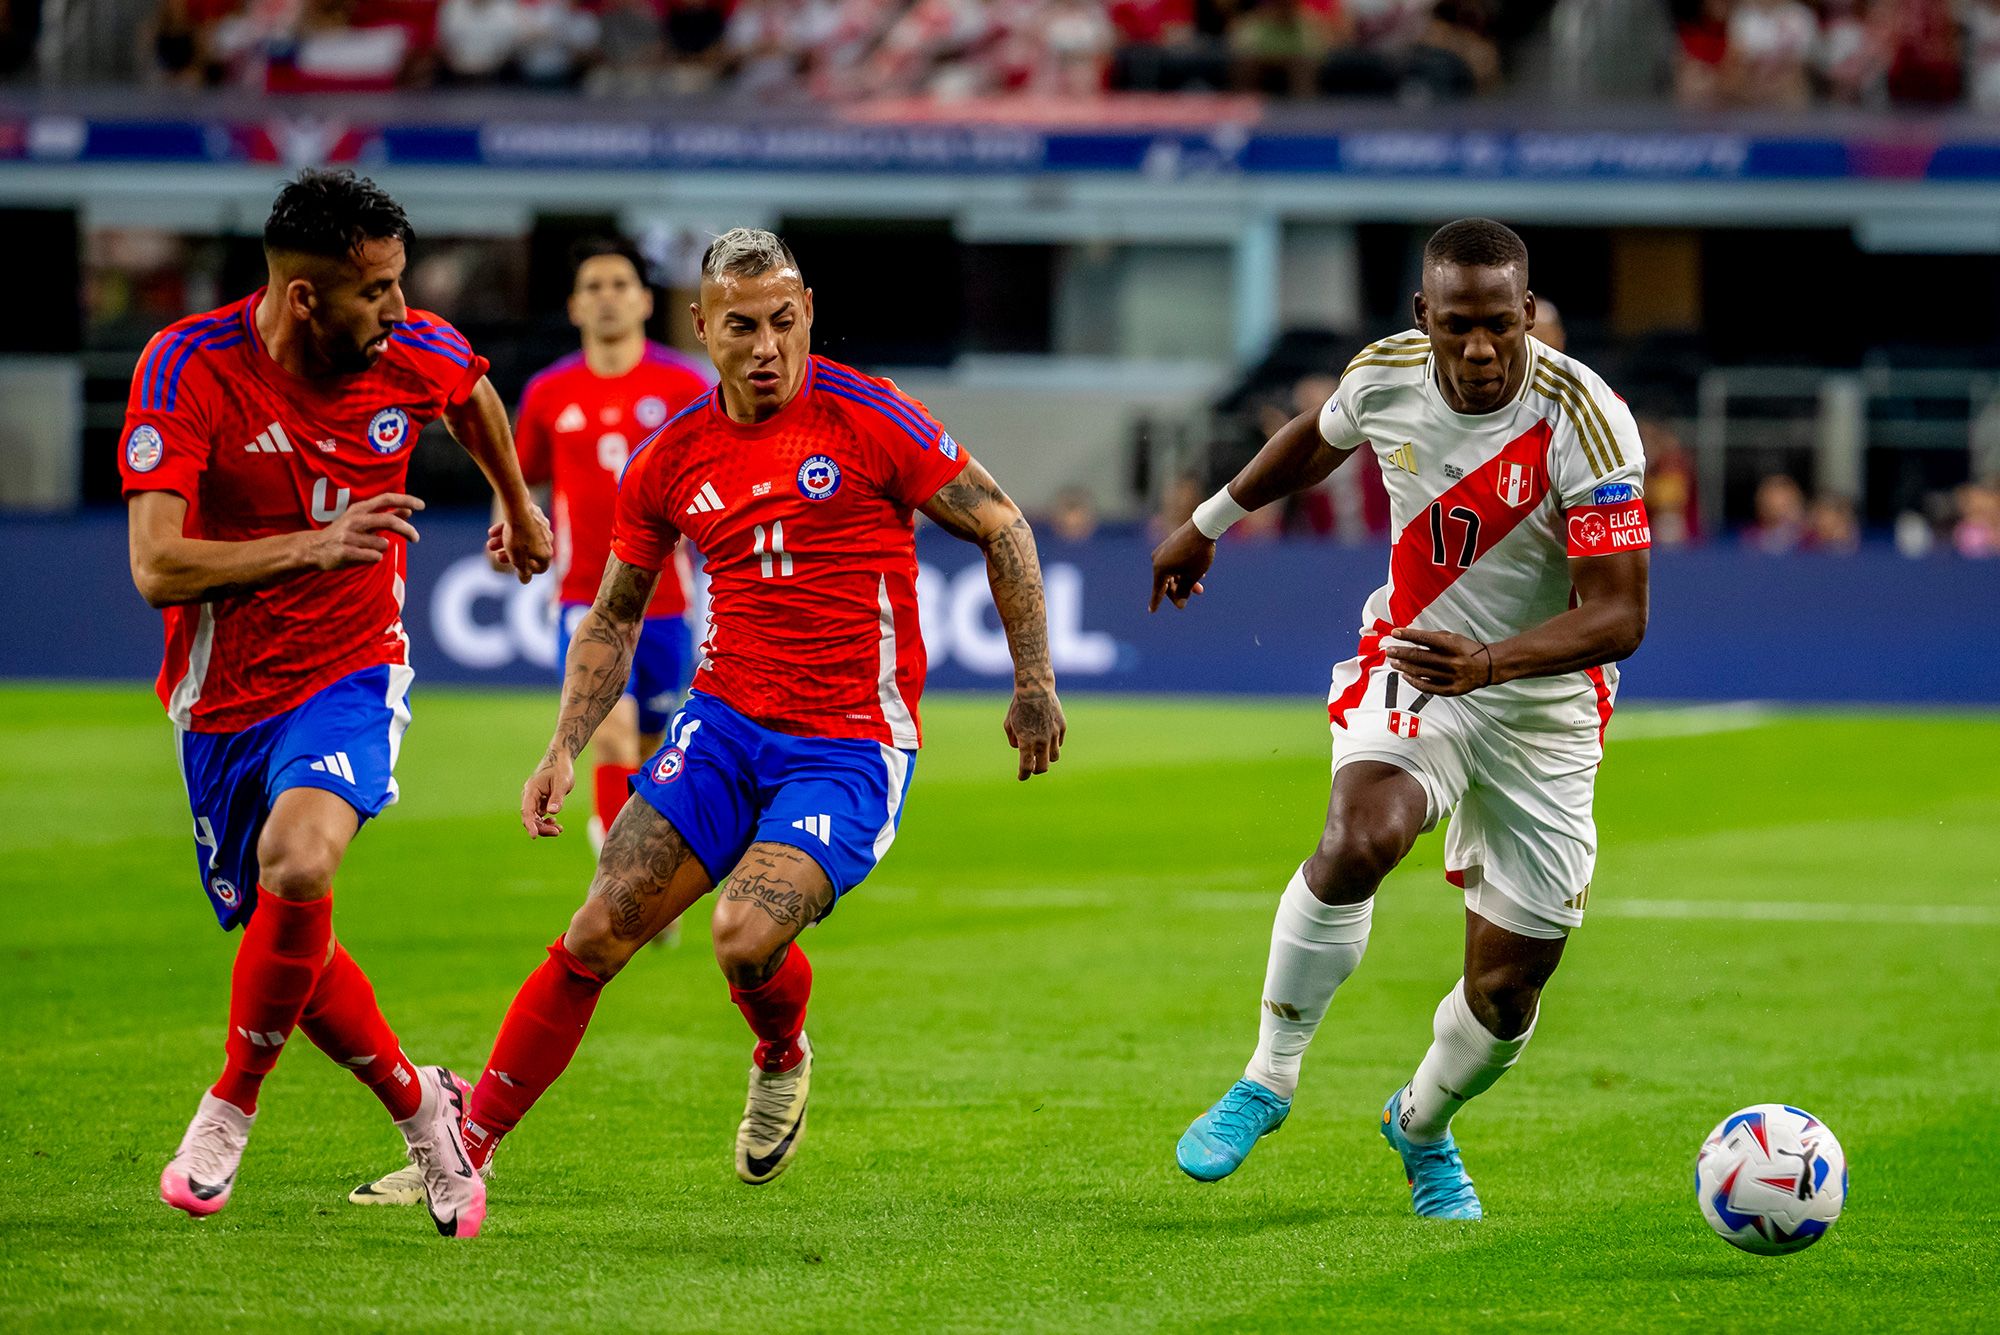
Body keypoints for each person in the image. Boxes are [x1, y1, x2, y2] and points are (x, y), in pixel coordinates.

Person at [350, 227, 1064, 1202]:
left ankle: (781, 1052)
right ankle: (465, 1148)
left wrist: (1034, 681)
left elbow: (1001, 523)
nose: (766, 346)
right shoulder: (671, 456)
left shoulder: (871, 416)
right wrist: (562, 746)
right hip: (723, 727)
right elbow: (614, 612)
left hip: (848, 744)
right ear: (702, 327)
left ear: (807, 312)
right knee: (597, 928)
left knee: (741, 935)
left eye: (782, 321)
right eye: (741, 327)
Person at [1152, 218, 1650, 1220]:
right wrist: (1207, 524)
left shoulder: (1587, 421)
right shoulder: (1385, 373)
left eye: (1500, 325)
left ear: (1528, 313)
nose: (1480, 349)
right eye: (1457, 325)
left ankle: (1420, 1124)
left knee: (1506, 990)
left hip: (1545, 708)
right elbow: (1315, 440)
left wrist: (1491, 663)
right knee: (1359, 837)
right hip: (1415, 660)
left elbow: (1619, 615)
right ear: (1424, 315)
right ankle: (1266, 1078)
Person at [121, 168, 553, 1239]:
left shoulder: (413, 348)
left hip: (354, 666)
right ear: (305, 296)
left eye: (402, 281)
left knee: (301, 861)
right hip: (222, 696)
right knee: (287, 932)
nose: (402, 308)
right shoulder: (187, 367)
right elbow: (158, 566)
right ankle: (424, 1110)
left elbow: (470, 395)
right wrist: (312, 545)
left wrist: (515, 501)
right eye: (376, 290)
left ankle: (230, 1105)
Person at [513, 237, 715, 852]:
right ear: (575, 306)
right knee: (610, 728)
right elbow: (520, 480)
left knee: (650, 743)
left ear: (645, 301)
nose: (608, 298)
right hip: (585, 597)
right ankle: (616, 862)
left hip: (667, 599)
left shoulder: (684, 386)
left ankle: (635, 854)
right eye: (594, 287)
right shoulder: (548, 392)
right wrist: (512, 527)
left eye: (620, 285)